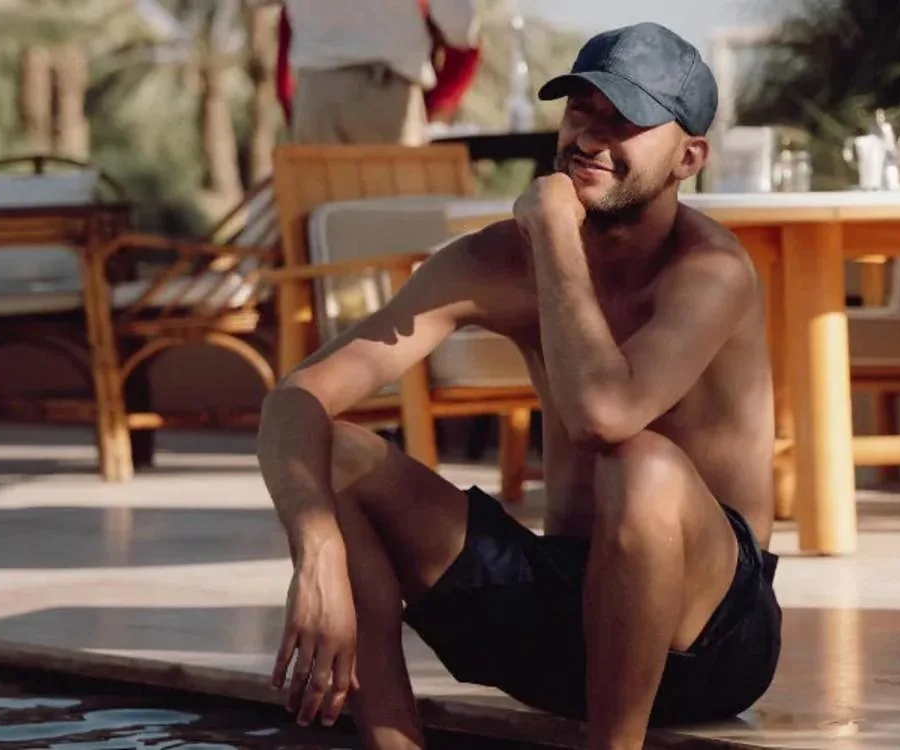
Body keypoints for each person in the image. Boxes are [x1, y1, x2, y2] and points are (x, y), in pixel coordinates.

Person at [257, 22, 782, 750]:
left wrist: (557, 233)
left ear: (689, 157)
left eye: (624, 120)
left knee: (639, 463)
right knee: (335, 452)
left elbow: (603, 416)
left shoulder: (711, 271)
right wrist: (316, 554)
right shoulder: (494, 261)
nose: (589, 138)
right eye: (580, 110)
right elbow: (296, 399)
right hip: (567, 616)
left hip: (711, 642)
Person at [272, 0, 481, 143]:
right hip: (384, 96)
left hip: (315, 97)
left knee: (321, 195)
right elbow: (461, 27)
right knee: (393, 195)